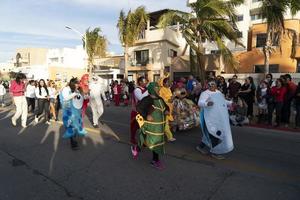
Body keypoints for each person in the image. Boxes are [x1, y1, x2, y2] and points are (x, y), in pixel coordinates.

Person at [196, 79, 234, 160]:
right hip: (208, 117)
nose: (211, 86)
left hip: (218, 117)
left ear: (216, 85)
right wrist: (206, 103)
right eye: (210, 84)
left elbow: (223, 101)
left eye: (213, 84)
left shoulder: (218, 93)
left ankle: (200, 147)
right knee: (214, 134)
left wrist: (231, 103)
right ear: (207, 85)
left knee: (210, 133)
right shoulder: (205, 93)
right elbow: (200, 102)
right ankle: (215, 152)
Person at [136, 82, 168, 169]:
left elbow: (166, 107)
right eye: (156, 89)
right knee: (154, 143)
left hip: (159, 127)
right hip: (151, 127)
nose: (158, 90)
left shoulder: (160, 99)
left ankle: (137, 149)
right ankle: (155, 160)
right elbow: (139, 108)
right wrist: (147, 115)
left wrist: (166, 110)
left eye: (158, 88)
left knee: (149, 141)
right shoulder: (147, 99)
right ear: (152, 90)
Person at [60, 77, 87, 150]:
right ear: (72, 83)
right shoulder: (66, 89)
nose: (78, 85)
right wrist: (74, 94)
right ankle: (73, 143)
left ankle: (73, 140)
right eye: (76, 83)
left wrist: (85, 97)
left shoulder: (77, 90)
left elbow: (79, 99)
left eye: (78, 84)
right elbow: (66, 98)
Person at [130, 76, 149, 158]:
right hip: (137, 112)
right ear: (140, 82)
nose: (146, 82)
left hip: (143, 111)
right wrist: (148, 90)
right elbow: (141, 98)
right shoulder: (137, 90)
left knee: (143, 127)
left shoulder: (145, 89)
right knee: (136, 127)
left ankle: (142, 141)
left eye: (146, 81)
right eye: (144, 81)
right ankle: (133, 139)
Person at [158, 75, 176, 142]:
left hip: (169, 109)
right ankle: (169, 137)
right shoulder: (161, 90)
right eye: (167, 82)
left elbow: (171, 100)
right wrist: (173, 96)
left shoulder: (168, 89)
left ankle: (162, 135)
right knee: (166, 123)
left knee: (166, 123)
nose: (169, 83)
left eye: (169, 82)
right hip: (164, 109)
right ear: (164, 83)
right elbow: (166, 100)